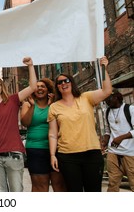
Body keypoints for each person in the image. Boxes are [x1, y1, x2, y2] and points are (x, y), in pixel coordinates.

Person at [48, 56, 112, 192]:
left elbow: (107, 91)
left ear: (71, 83)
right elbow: (53, 134)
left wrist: (104, 67)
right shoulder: (54, 107)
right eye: (59, 83)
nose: (63, 84)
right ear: (57, 87)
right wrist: (53, 155)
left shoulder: (86, 97)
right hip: (67, 156)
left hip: (91, 153)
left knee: (93, 192)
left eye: (66, 80)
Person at [0, 57, 37, 192]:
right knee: (1, 193)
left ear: (2, 86)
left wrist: (30, 66)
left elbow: (32, 87)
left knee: (16, 191)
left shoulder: (12, 100)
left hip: (13, 153)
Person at [21, 78, 66, 192]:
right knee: (39, 187)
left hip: (57, 148)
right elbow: (25, 123)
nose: (40, 88)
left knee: (59, 185)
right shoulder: (27, 104)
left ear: (48, 90)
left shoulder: (55, 105)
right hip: (35, 149)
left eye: (43, 86)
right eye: (37, 86)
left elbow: (60, 123)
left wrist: (51, 106)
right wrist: (32, 106)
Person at [102, 89, 134, 192]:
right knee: (113, 184)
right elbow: (108, 130)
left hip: (130, 153)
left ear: (116, 97)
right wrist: (104, 142)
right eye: (105, 100)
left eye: (108, 99)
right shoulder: (107, 112)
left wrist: (121, 137)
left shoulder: (130, 109)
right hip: (113, 152)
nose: (106, 101)